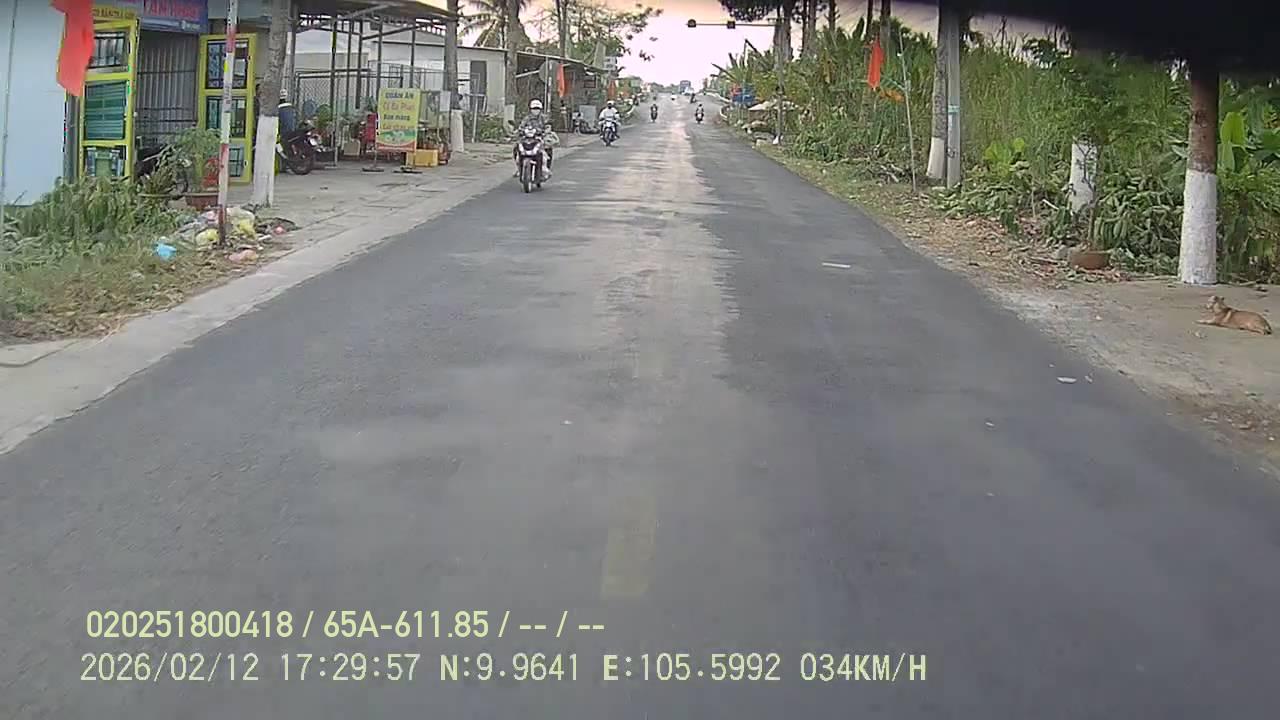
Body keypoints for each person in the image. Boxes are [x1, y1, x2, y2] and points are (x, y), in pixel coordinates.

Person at [513, 99, 554, 178]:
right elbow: (521, 127)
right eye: (534, 108)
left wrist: (545, 132)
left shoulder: (544, 118)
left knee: (548, 147)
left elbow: (548, 126)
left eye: (537, 108)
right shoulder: (527, 118)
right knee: (516, 147)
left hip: (540, 138)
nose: (536, 110)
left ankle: (546, 168)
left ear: (540, 109)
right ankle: (519, 168)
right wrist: (519, 131)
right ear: (530, 109)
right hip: (527, 138)